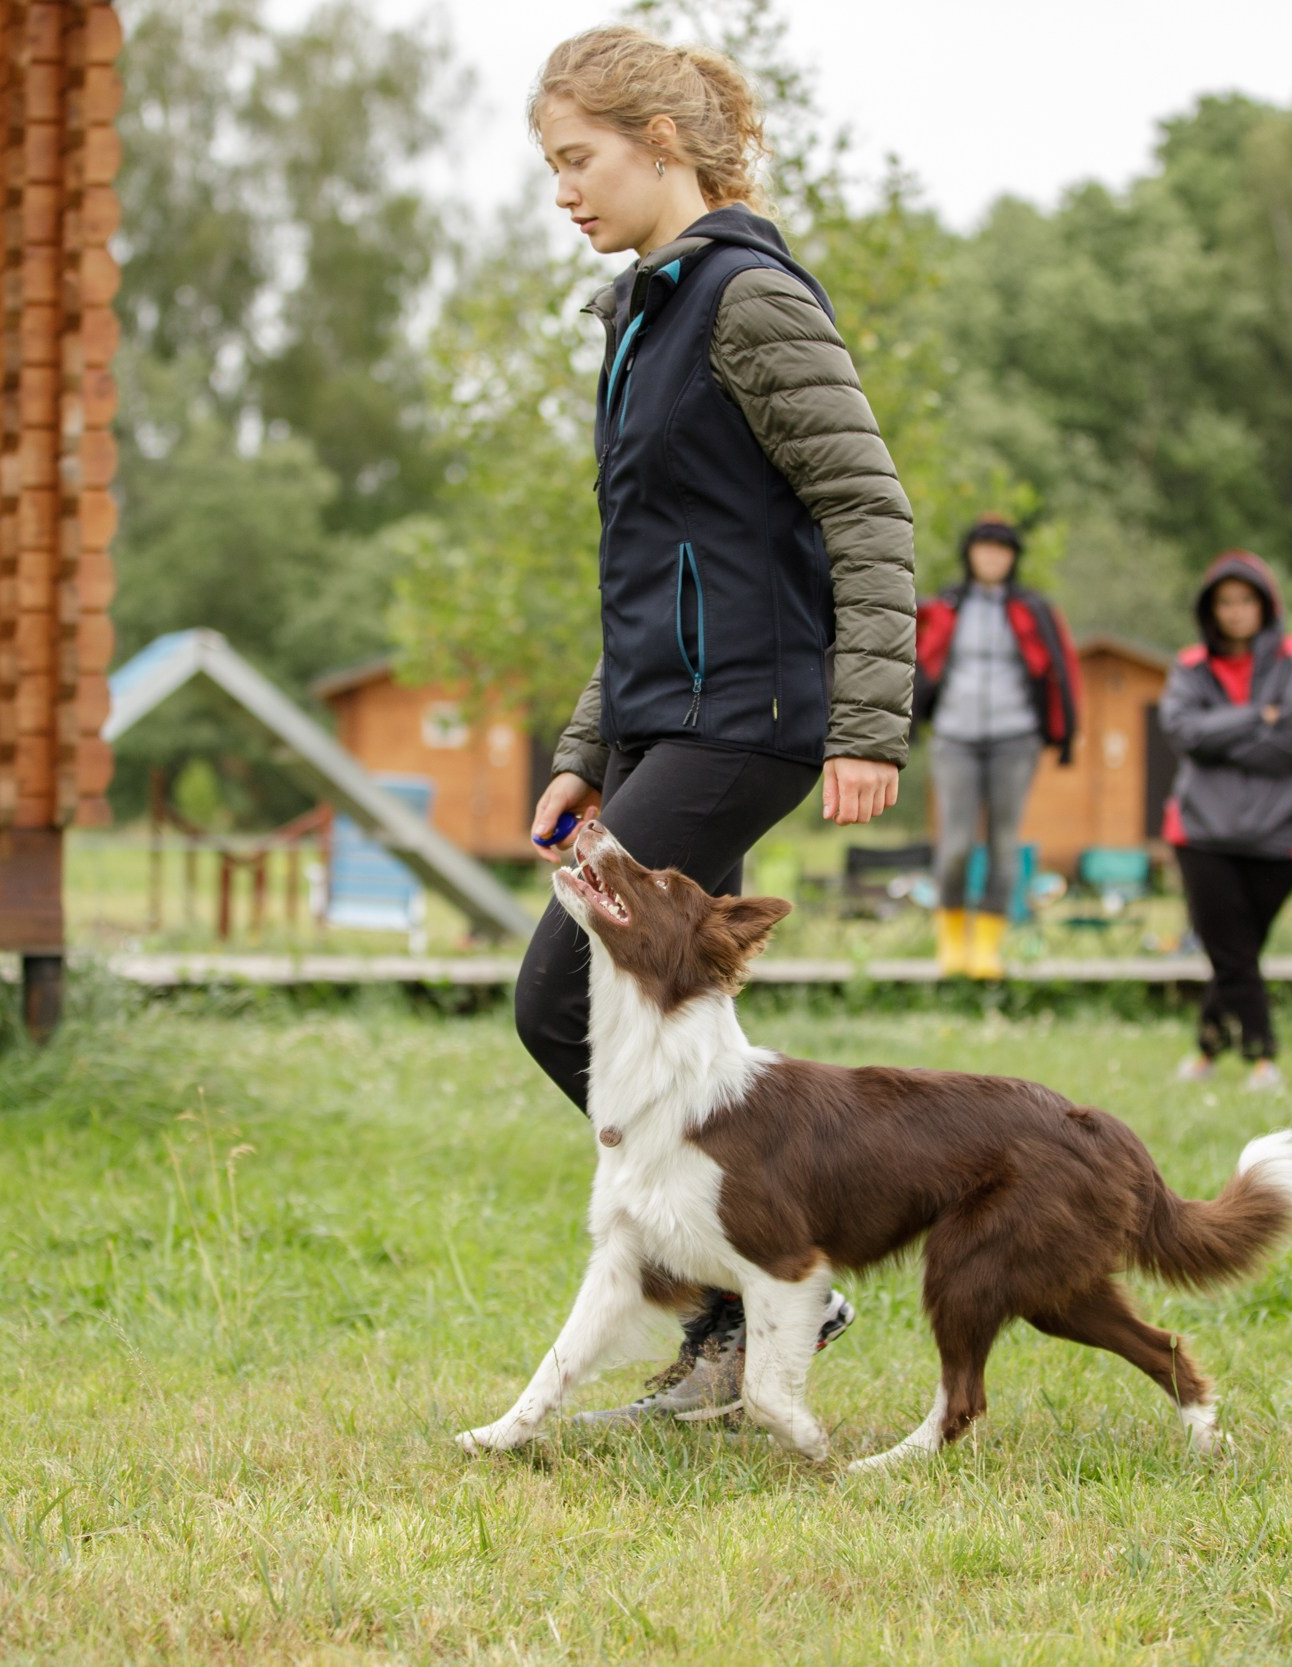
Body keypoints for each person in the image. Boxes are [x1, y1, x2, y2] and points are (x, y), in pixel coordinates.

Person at [513, 26, 916, 1420]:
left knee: (562, 994)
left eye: (579, 158)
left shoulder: (749, 300)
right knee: (686, 1035)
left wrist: (868, 721)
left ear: (662, 144)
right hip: (664, 715)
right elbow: (645, 575)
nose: (563, 190)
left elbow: (868, 509)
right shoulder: (641, 313)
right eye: (551, 164)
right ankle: (755, 1305)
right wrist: (586, 750)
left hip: (746, 713)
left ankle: (761, 1287)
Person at [1158, 551, 1292, 1090]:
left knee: (1237, 954)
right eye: (1225, 602)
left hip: (1278, 837)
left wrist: (1220, 737)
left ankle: (1206, 1051)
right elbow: (1184, 733)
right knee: (1233, 953)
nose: (1235, 611)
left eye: (1246, 600)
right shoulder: (1190, 666)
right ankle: (1263, 1058)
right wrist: (1258, 716)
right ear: (1210, 609)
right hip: (1201, 834)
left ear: (1266, 604)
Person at [912, 517, 1082, 978]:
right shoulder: (945, 606)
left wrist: (1065, 733)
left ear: (1013, 558)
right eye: (984, 547)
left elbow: (1062, 668)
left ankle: (987, 948)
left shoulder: (1034, 609)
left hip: (1016, 738)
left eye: (1001, 549)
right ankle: (951, 941)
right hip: (954, 737)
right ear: (969, 554)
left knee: (1004, 845)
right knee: (955, 845)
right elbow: (917, 661)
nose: (992, 556)